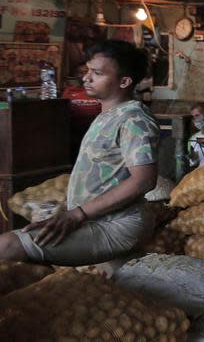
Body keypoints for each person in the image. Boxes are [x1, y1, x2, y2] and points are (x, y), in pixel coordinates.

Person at [0, 40, 159, 266]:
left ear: (124, 81)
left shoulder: (134, 119)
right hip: (94, 218)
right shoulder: (107, 115)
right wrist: (68, 211)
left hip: (116, 224)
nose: (86, 78)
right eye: (87, 71)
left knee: (7, 246)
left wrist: (77, 214)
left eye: (97, 73)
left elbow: (144, 181)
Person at [61, 61, 102, 162]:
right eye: (81, 72)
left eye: (87, 71)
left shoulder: (100, 90)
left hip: (97, 132)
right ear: (76, 75)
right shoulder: (69, 91)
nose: (84, 75)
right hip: (73, 131)